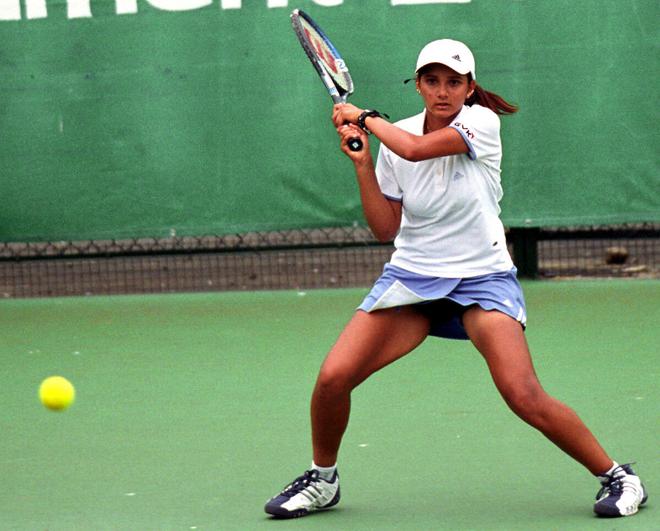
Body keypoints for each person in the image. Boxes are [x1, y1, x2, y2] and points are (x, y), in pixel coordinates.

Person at [264, 39, 647, 520]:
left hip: (481, 280)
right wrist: (363, 165)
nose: (442, 92)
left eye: (453, 82)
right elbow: (386, 228)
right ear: (419, 84)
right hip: (413, 279)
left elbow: (418, 148)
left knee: (523, 394)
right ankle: (323, 480)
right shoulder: (393, 139)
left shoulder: (480, 123)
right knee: (332, 378)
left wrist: (365, 118)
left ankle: (618, 475)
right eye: (432, 81)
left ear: (469, 88)